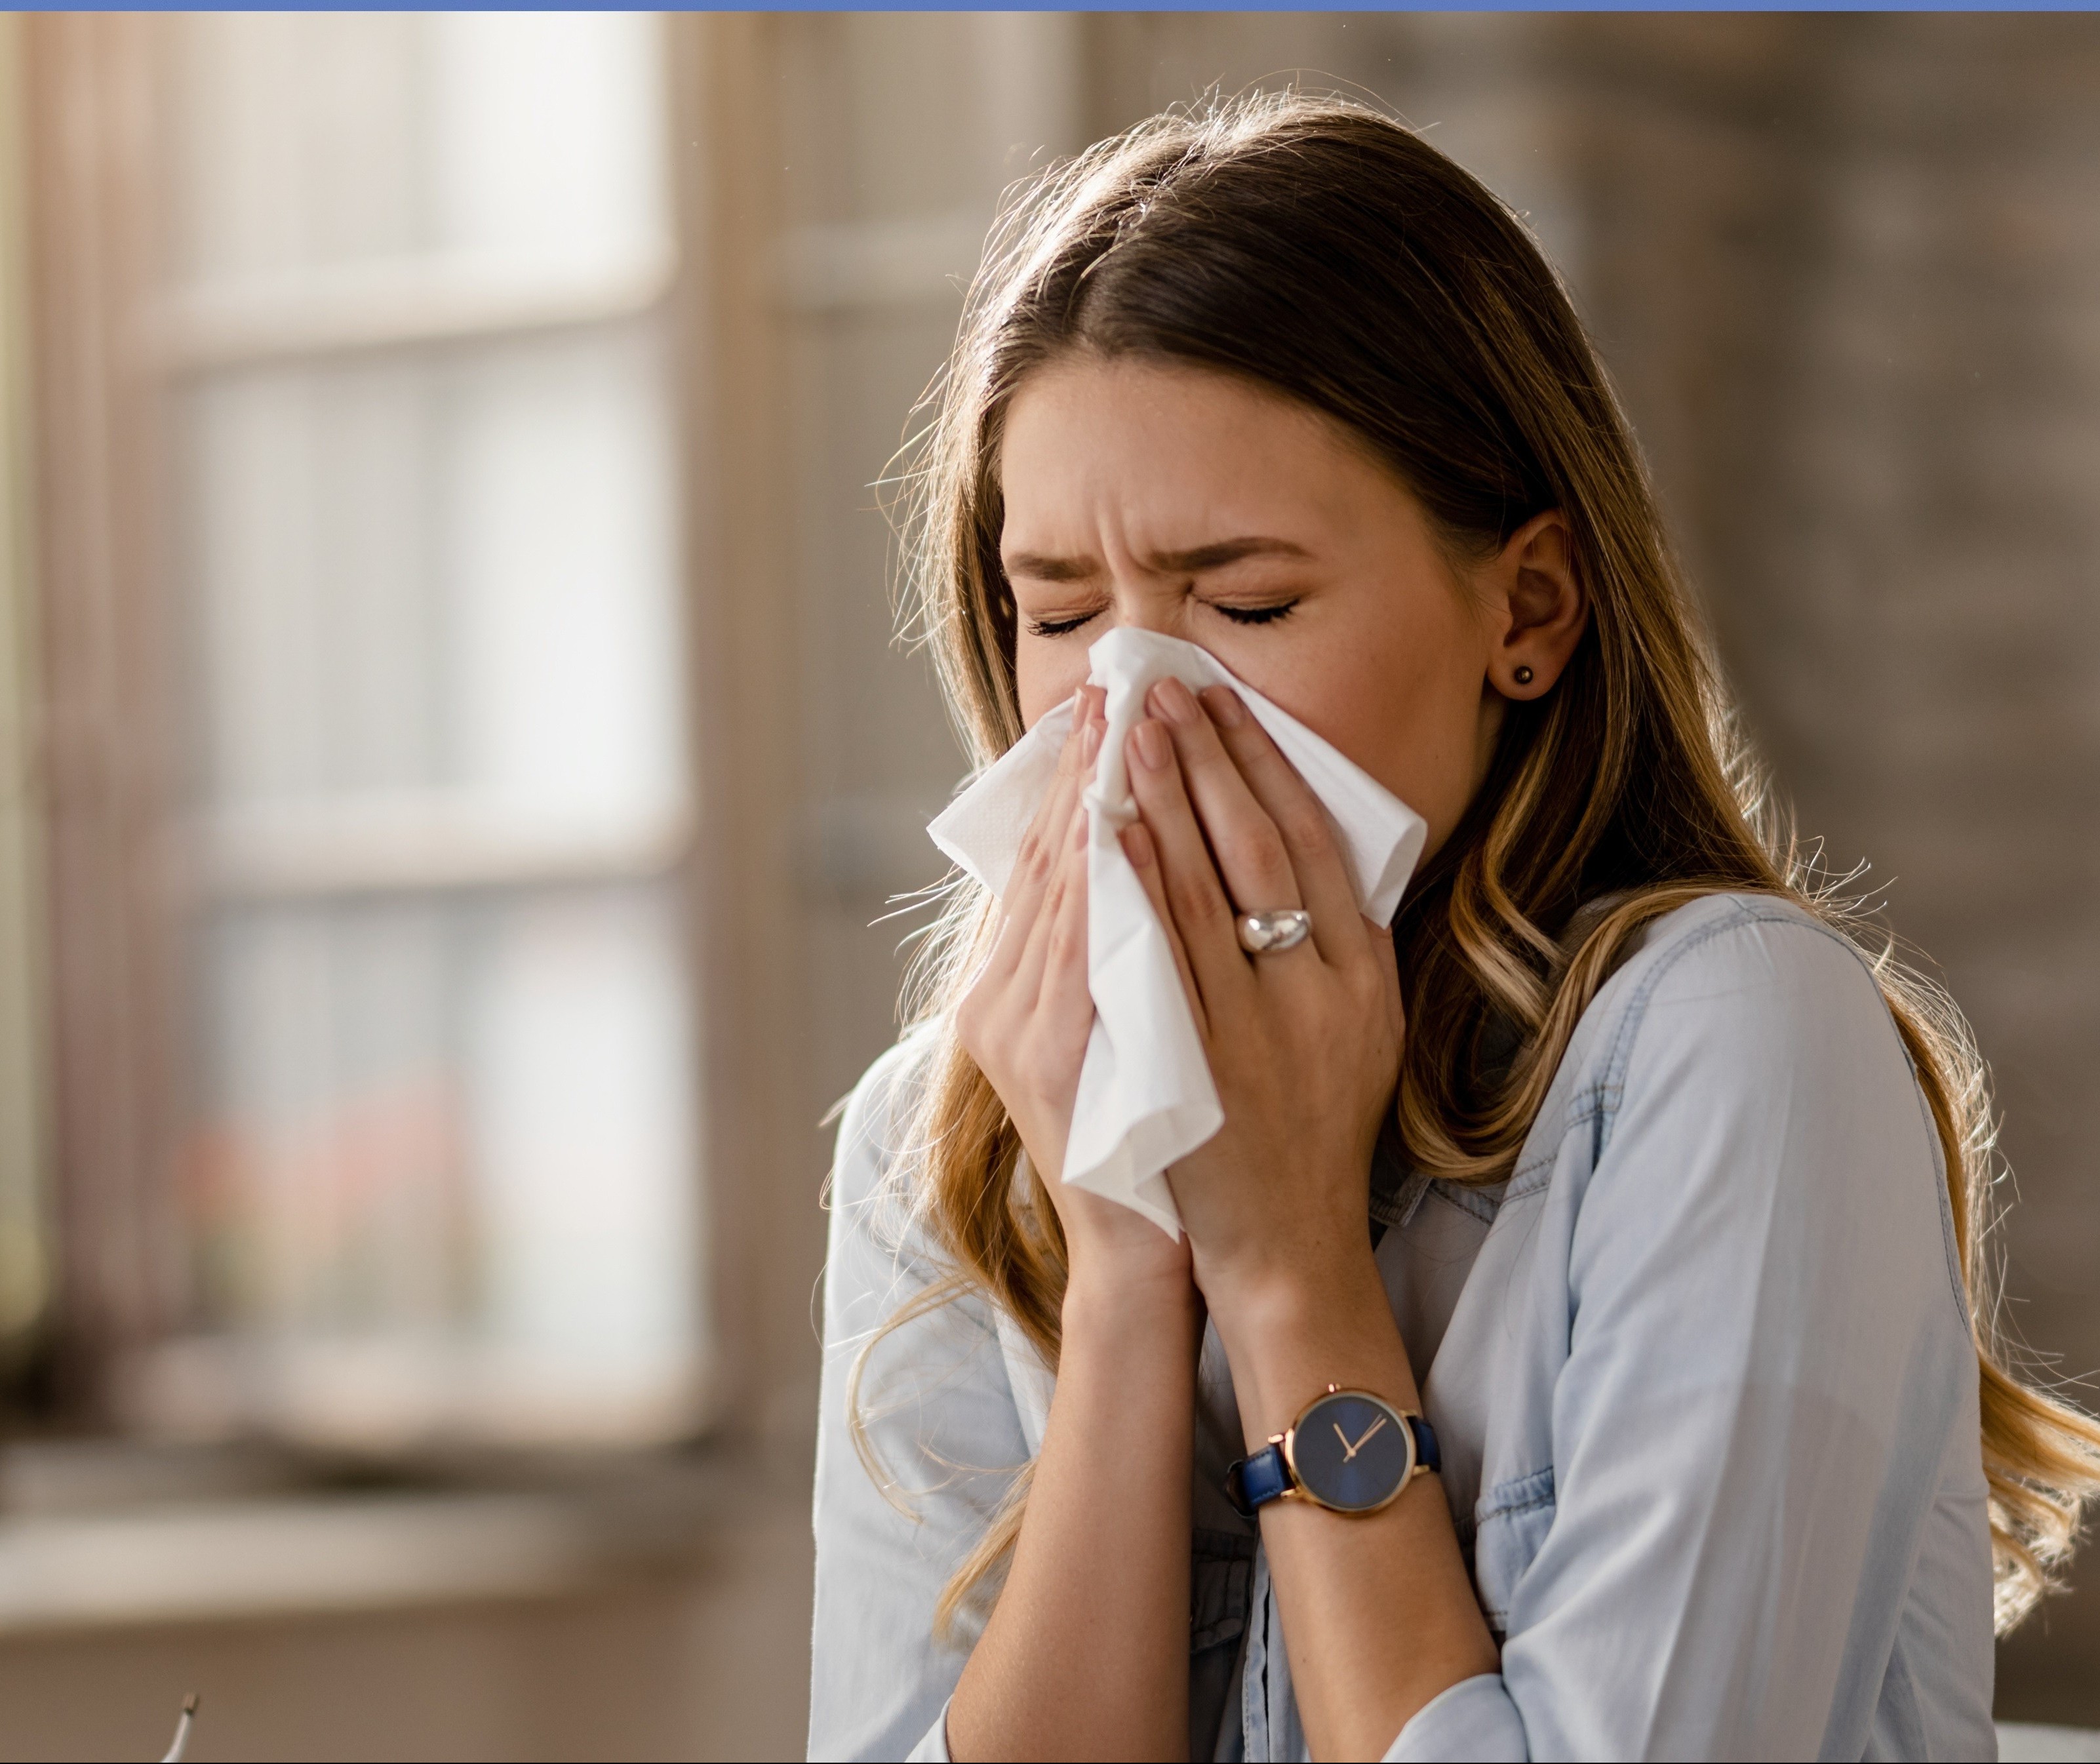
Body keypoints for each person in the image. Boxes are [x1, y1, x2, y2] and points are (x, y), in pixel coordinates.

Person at [806, 94, 2100, 1763]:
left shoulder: (1729, 1047)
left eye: (1247, 603)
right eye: (1058, 610)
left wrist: (1287, 1274)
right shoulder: (955, 1137)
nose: (1132, 710)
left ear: (1529, 610)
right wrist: (1128, 1262)